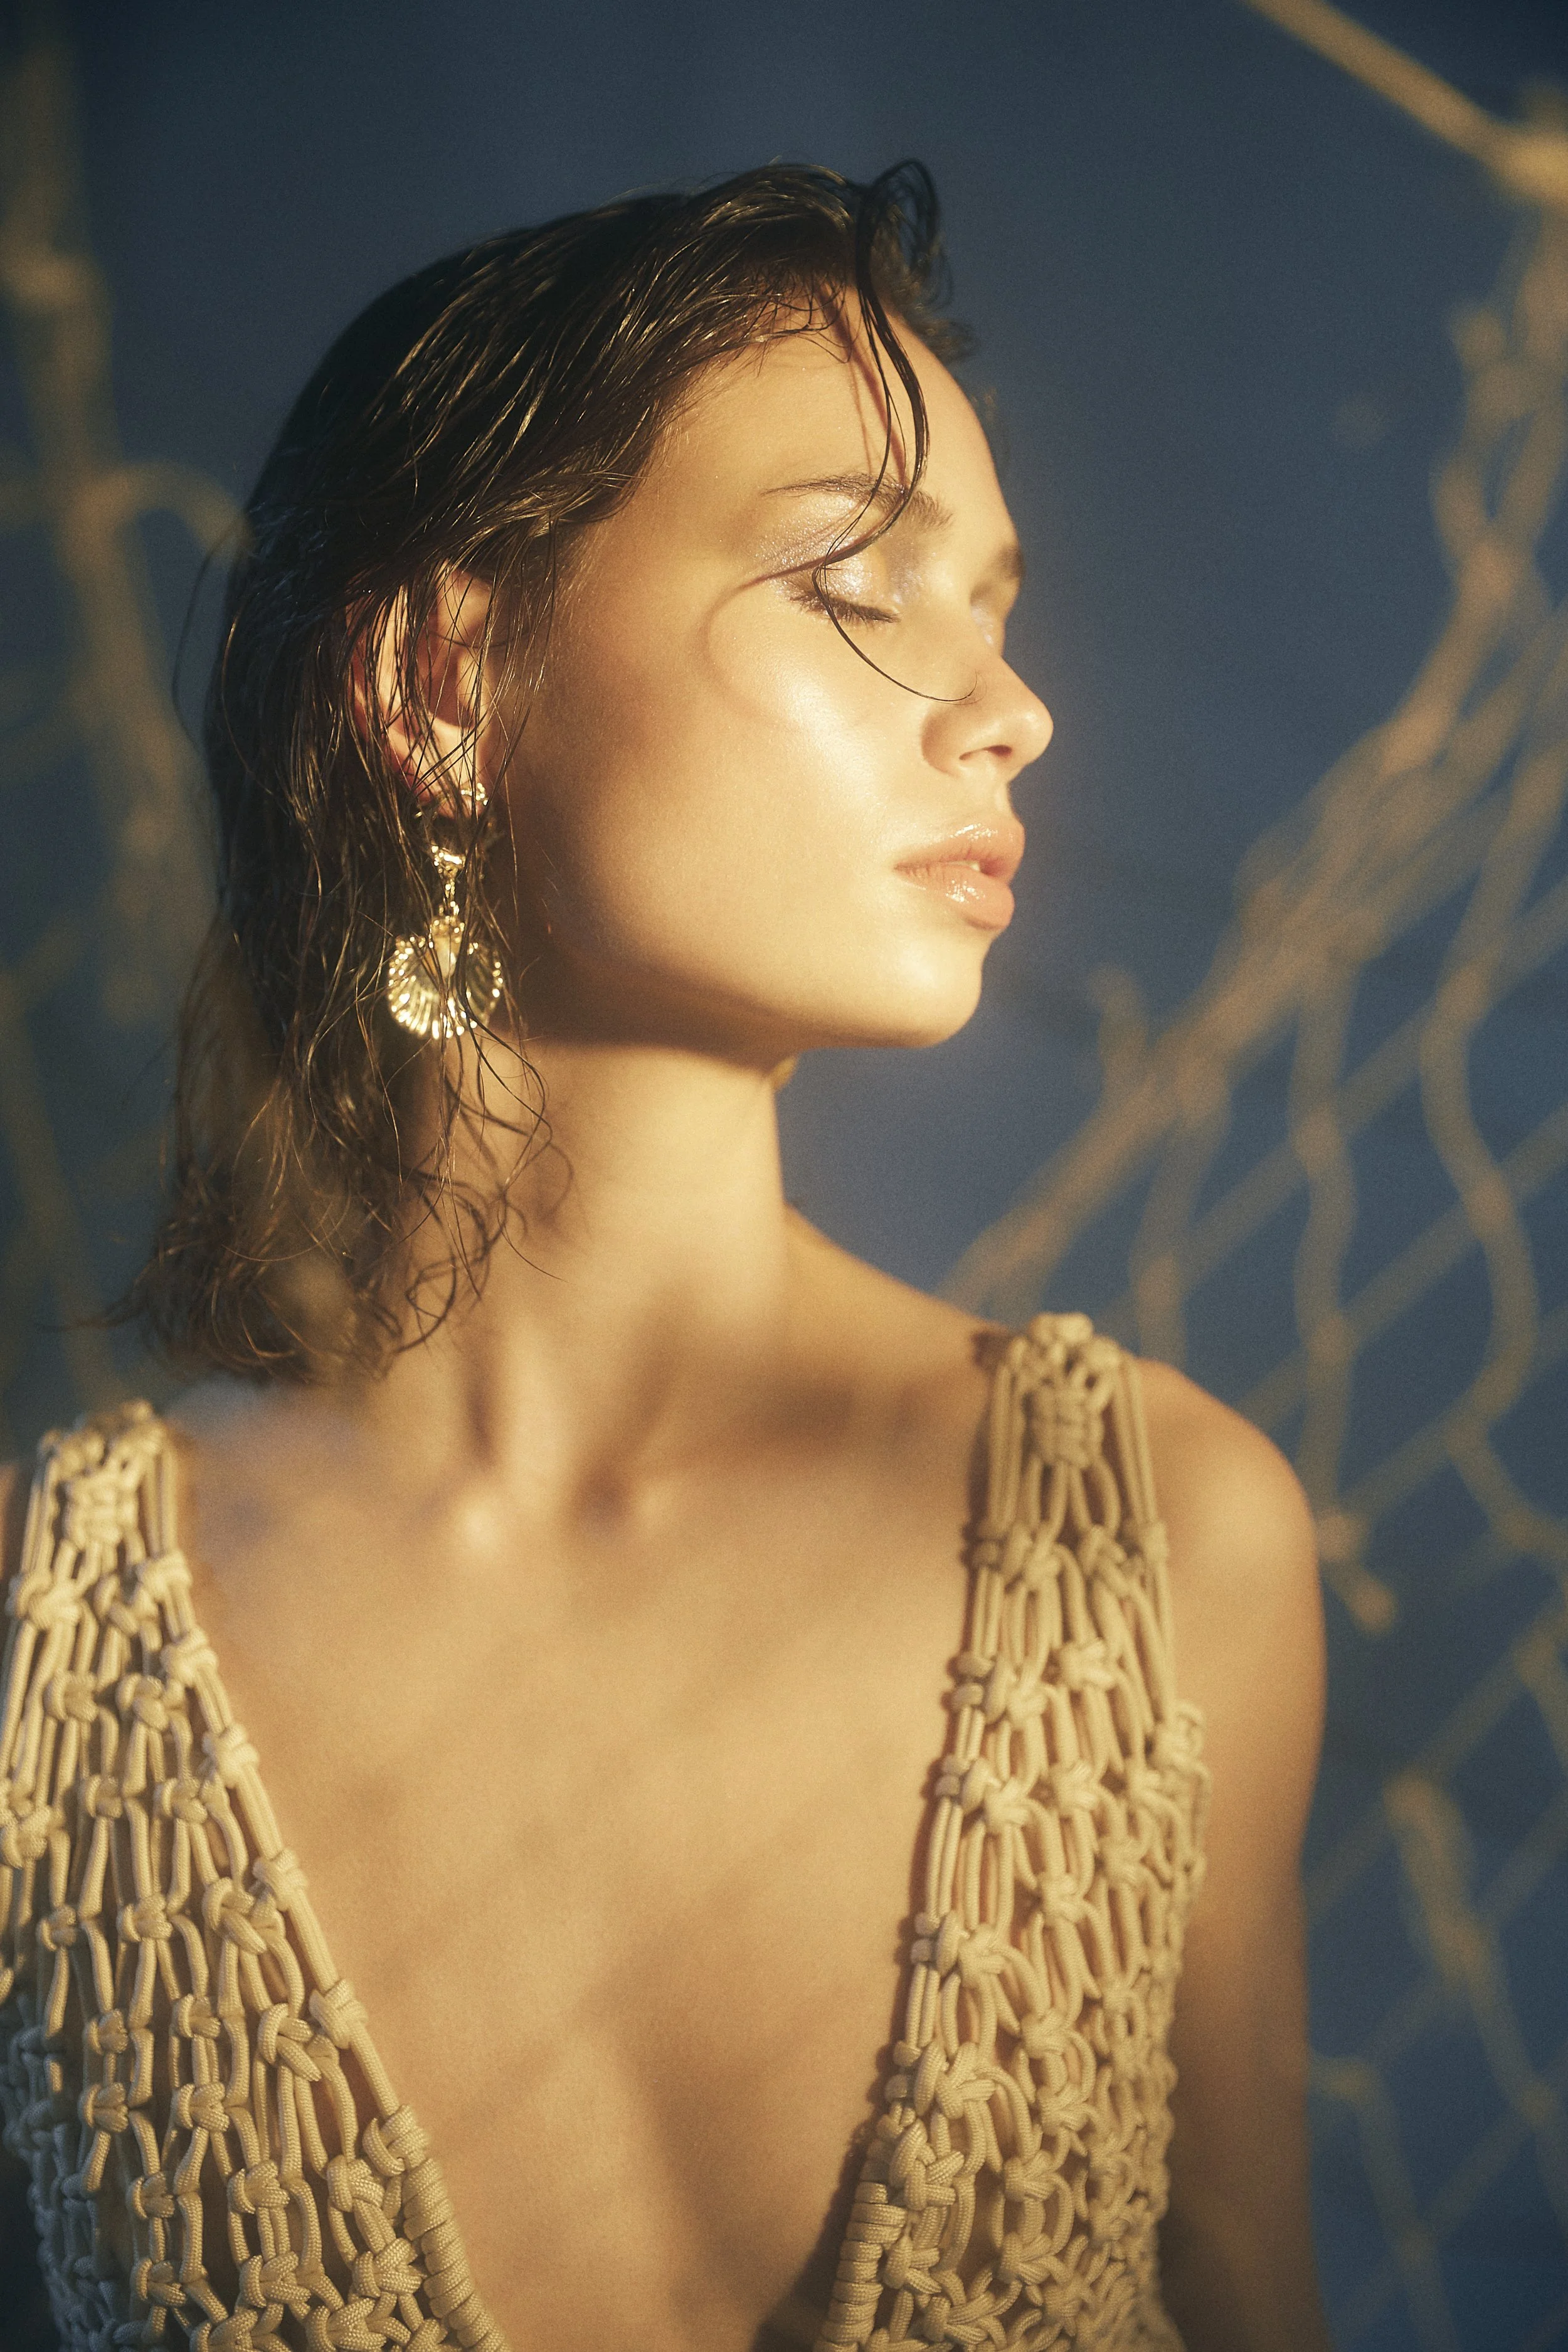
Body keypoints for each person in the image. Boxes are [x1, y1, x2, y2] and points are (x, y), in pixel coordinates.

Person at [0, 164, 1329, 2351]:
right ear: (441, 685)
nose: (1009, 710)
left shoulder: (1158, 1535)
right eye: (858, 582)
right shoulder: (49, 1662)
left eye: (995, 604)